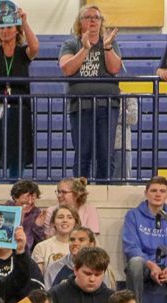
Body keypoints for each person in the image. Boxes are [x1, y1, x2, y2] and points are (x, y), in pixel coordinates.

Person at [59, 6, 122, 181]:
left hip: (107, 105)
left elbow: (115, 68)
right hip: (80, 105)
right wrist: (85, 49)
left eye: (97, 17)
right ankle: (80, 192)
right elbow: (67, 68)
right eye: (88, 17)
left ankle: (104, 189)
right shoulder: (71, 44)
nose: (93, 20)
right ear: (80, 22)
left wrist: (108, 47)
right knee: (82, 152)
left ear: (101, 22)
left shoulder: (109, 42)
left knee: (105, 152)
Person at [0, 9, 38, 179]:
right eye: (2, 28)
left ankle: (16, 186)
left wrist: (25, 21)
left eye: (9, 27)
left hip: (19, 106)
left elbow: (35, 47)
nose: (5, 31)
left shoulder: (23, 52)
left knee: (17, 149)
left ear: (17, 30)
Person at [120, 176, 167, 303]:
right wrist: (151, 265)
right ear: (146, 193)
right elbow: (131, 247)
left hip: (165, 266)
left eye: (162, 191)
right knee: (135, 262)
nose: (158, 194)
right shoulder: (133, 215)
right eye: (154, 190)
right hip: (144, 266)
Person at [32, 206, 82, 283]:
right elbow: (37, 280)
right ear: (53, 223)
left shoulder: (82, 247)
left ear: (75, 223)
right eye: (60, 217)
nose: (65, 220)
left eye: (69, 217)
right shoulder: (41, 247)